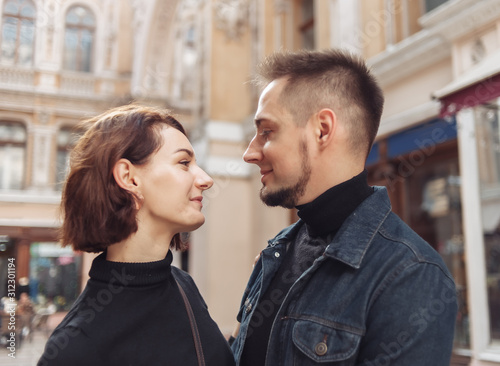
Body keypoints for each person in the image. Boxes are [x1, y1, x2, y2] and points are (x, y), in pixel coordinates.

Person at [230, 49, 457, 365]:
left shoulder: (411, 275)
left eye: (267, 131)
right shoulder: (276, 252)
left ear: (322, 129)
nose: (250, 153)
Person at [38, 105, 235, 366]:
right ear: (129, 178)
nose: (206, 179)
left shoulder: (183, 285)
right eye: (184, 163)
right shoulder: (76, 347)